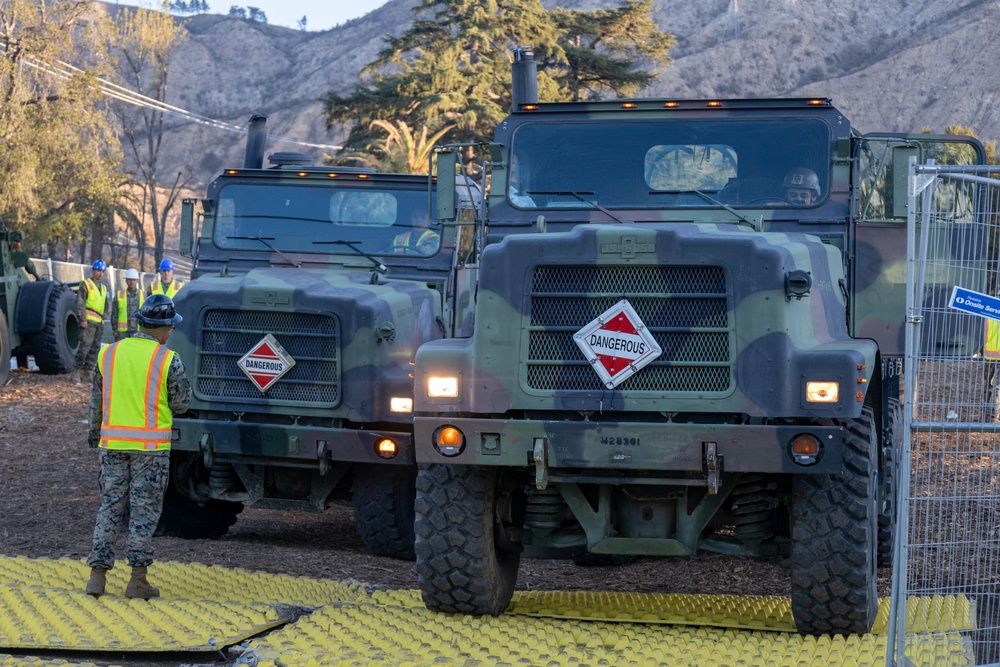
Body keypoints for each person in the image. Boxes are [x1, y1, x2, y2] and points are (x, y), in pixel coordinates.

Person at [84, 294, 190, 600]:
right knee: (144, 512)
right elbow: (182, 405)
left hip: (113, 445)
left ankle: (97, 577)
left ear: (140, 322)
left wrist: (94, 437)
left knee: (109, 507)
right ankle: (137, 580)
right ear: (166, 329)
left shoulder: (109, 354)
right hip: (150, 450)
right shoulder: (168, 359)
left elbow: (96, 403)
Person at [73, 260, 110, 384]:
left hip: (99, 322)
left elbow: (106, 303)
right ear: (93, 271)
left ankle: (88, 372)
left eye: (102, 271)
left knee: (95, 348)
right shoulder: (86, 284)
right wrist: (82, 319)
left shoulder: (104, 288)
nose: (100, 273)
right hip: (88, 321)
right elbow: (80, 303)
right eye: (98, 270)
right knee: (84, 347)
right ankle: (76, 372)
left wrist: (106, 313)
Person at [111, 268, 145, 341]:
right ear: (126, 280)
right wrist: (115, 329)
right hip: (122, 333)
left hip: (138, 331)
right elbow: (114, 313)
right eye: (129, 280)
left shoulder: (143, 295)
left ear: (137, 281)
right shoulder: (119, 295)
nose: (132, 282)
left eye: (134, 280)